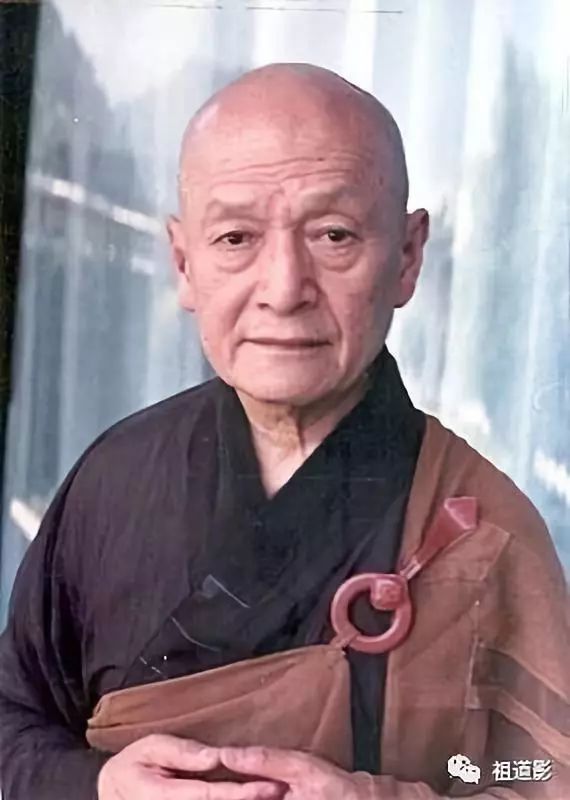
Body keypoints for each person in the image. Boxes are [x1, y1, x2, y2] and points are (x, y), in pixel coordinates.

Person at [0, 63, 567, 800]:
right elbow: (13, 721)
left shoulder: (483, 532)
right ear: (184, 263)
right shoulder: (114, 481)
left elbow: (538, 776)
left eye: (334, 235)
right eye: (236, 238)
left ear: (407, 256)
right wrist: (96, 784)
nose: (283, 289)